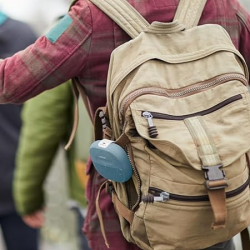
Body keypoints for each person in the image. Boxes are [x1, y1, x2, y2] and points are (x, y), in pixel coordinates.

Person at [0, 0, 249, 249]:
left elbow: (8, 82)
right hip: (218, 201)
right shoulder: (222, 6)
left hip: (128, 216)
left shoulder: (90, 17)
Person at [13, 81, 92, 250]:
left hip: (96, 190)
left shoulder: (63, 53)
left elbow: (41, 131)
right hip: (157, 190)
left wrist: (28, 199)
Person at [0, 10, 38, 250]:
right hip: (19, 176)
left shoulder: (22, 35)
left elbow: (43, 120)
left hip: (18, 181)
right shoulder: (23, 33)